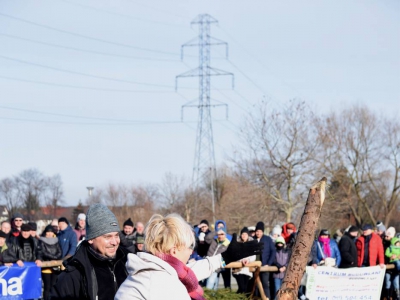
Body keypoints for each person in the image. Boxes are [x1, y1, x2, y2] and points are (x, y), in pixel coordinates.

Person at [115, 213, 263, 300]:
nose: (191, 252)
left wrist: (224, 258)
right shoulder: (164, 285)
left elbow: (191, 270)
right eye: (188, 247)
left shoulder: (153, 269)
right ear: (174, 251)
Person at [50, 203, 131, 300]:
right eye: (107, 236)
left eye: (117, 235)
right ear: (91, 239)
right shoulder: (74, 273)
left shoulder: (128, 263)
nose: (114, 242)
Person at [40, 225, 62, 300]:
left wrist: (54, 259)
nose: (49, 234)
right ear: (45, 233)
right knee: (47, 286)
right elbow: (43, 252)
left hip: (55, 265)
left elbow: (60, 252)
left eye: (51, 232)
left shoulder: (56, 240)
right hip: (46, 266)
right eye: (48, 232)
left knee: (54, 285)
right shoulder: (42, 241)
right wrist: (52, 259)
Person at [254, 221, 276, 299]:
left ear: (262, 232)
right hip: (254, 265)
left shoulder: (268, 239)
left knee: (265, 284)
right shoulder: (253, 239)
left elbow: (273, 251)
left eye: (260, 231)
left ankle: (267, 298)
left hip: (265, 265)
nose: (258, 233)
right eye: (257, 231)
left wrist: (269, 263)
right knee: (255, 285)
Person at [232, 227, 256, 295]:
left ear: (248, 235)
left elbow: (253, 255)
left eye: (245, 234)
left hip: (247, 269)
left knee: (245, 289)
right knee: (242, 288)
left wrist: (248, 260)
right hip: (238, 269)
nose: (244, 235)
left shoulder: (251, 244)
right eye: (243, 234)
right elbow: (234, 255)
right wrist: (241, 260)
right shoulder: (236, 243)